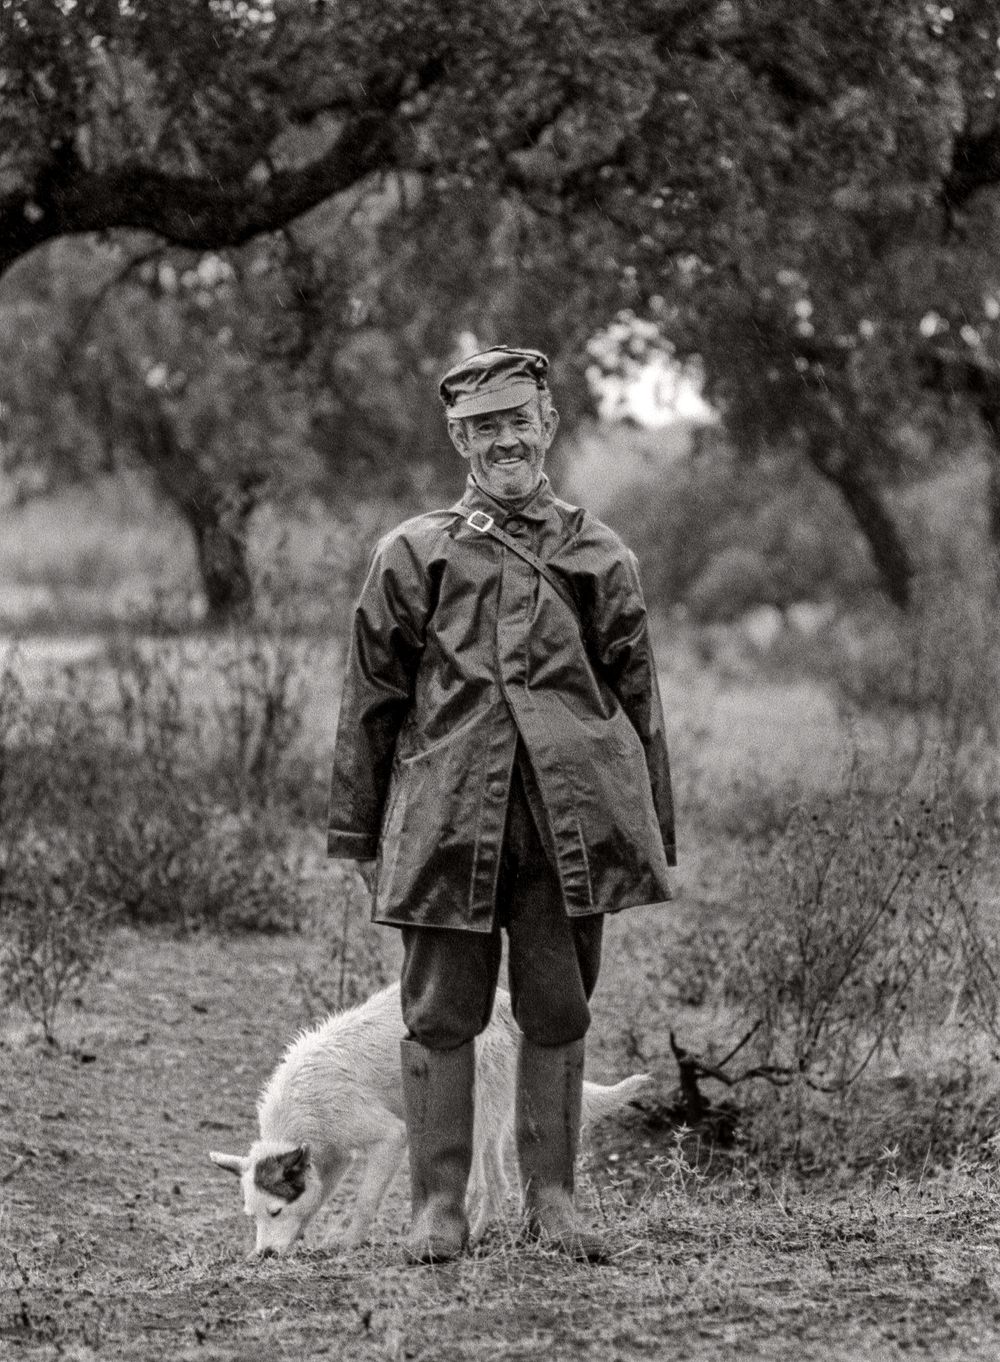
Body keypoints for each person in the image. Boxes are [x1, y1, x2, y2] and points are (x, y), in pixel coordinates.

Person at [327, 346, 675, 1264]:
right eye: (482, 427)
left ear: (548, 424)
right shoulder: (414, 553)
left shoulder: (600, 553)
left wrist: (648, 833)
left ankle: (553, 1205)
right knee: (442, 1013)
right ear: (457, 437)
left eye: (517, 421)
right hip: (450, 824)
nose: (503, 440)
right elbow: (371, 699)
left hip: (571, 828)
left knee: (559, 1010)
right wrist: (361, 832)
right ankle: (437, 1209)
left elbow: (639, 700)